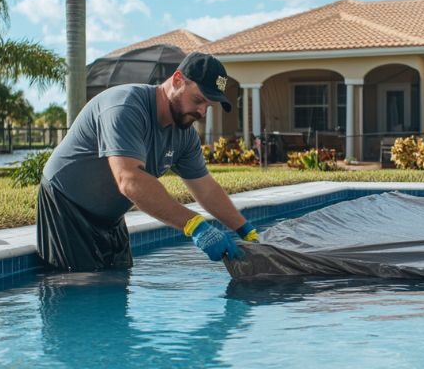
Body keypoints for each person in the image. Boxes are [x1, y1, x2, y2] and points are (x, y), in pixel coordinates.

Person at [36, 52, 259, 271]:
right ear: (178, 80)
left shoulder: (185, 134)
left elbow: (206, 188)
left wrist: (246, 231)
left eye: (208, 106)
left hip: (110, 218)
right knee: (80, 293)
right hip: (65, 207)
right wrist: (195, 225)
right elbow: (130, 179)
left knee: (114, 291)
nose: (201, 112)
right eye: (198, 100)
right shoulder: (126, 107)